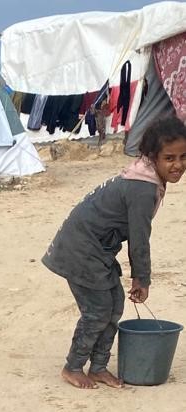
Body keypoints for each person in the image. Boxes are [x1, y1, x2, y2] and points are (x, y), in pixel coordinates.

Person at [42, 115, 186, 389]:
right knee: (98, 310)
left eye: (183, 157)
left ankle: (98, 367)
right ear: (152, 157)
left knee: (115, 305)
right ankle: (73, 366)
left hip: (96, 249)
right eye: (169, 158)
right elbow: (139, 239)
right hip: (80, 249)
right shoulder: (142, 188)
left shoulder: (146, 177)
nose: (178, 165)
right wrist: (142, 279)